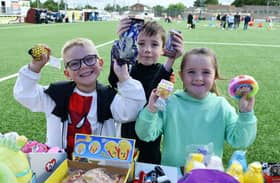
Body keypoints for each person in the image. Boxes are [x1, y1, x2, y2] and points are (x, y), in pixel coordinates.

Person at [13, 38, 146, 158]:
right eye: (75, 63)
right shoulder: (56, 95)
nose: (83, 66)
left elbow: (132, 111)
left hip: (98, 168)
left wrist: (124, 77)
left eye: (89, 59)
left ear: (100, 63)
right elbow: (24, 94)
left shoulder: (108, 98)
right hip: (57, 166)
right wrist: (34, 68)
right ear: (67, 73)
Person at [135, 47, 257, 167]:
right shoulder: (170, 104)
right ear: (182, 76)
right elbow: (145, 134)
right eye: (191, 72)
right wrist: (151, 110)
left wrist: (246, 114)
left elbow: (240, 141)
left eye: (206, 72)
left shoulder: (221, 106)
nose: (198, 78)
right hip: (173, 176)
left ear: (215, 76)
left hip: (208, 176)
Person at [109, 18, 184, 164]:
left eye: (154, 44)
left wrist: (171, 60)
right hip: (127, 134)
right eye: (141, 43)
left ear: (163, 49)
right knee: (125, 167)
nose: (147, 50)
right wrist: (123, 41)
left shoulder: (164, 72)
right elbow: (114, 80)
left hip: (150, 135)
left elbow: (155, 90)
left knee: (149, 167)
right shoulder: (129, 67)